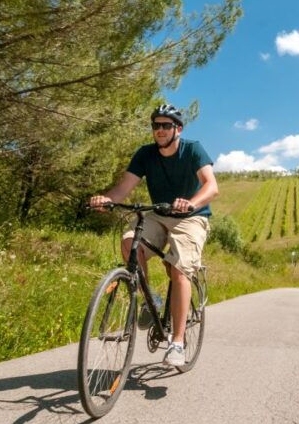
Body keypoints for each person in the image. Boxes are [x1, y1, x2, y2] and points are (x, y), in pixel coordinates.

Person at [89, 104, 218, 366]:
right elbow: (124, 187)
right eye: (156, 125)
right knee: (130, 243)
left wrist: (192, 203)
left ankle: (177, 343)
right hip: (159, 214)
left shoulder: (193, 149)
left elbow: (211, 186)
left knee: (179, 269)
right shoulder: (145, 154)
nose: (159, 130)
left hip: (191, 216)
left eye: (165, 125)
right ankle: (150, 302)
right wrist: (106, 200)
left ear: (177, 129)